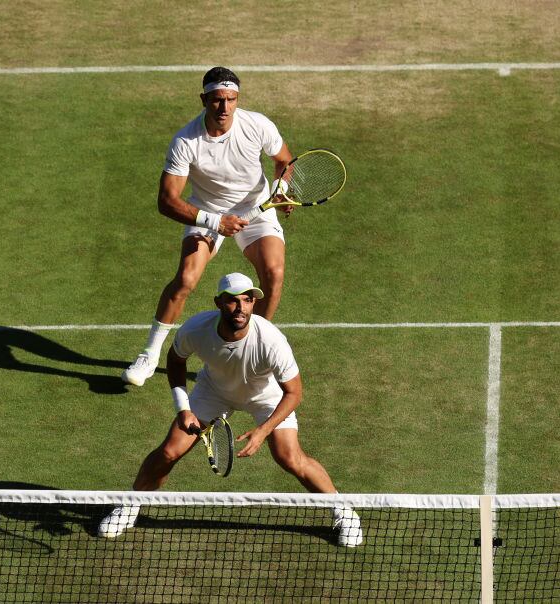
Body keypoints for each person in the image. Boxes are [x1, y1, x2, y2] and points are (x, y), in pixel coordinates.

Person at [100, 273, 363, 547]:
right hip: (214, 391)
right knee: (169, 450)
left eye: (248, 300)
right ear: (218, 303)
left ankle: (344, 512)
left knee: (289, 457)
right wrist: (183, 408)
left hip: (265, 395)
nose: (241, 308)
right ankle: (130, 506)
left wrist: (263, 431)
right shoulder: (196, 329)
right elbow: (175, 361)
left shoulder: (271, 341)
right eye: (233, 301)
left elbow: (294, 393)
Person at [122, 66, 295, 387]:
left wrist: (281, 191)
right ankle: (149, 354)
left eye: (231, 100)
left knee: (274, 273)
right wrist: (215, 221)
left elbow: (284, 160)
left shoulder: (257, 125)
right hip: (208, 211)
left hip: (256, 209)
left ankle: (253, 350)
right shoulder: (185, 141)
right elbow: (167, 200)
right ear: (204, 100)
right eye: (217, 100)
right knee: (186, 278)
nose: (224, 108)